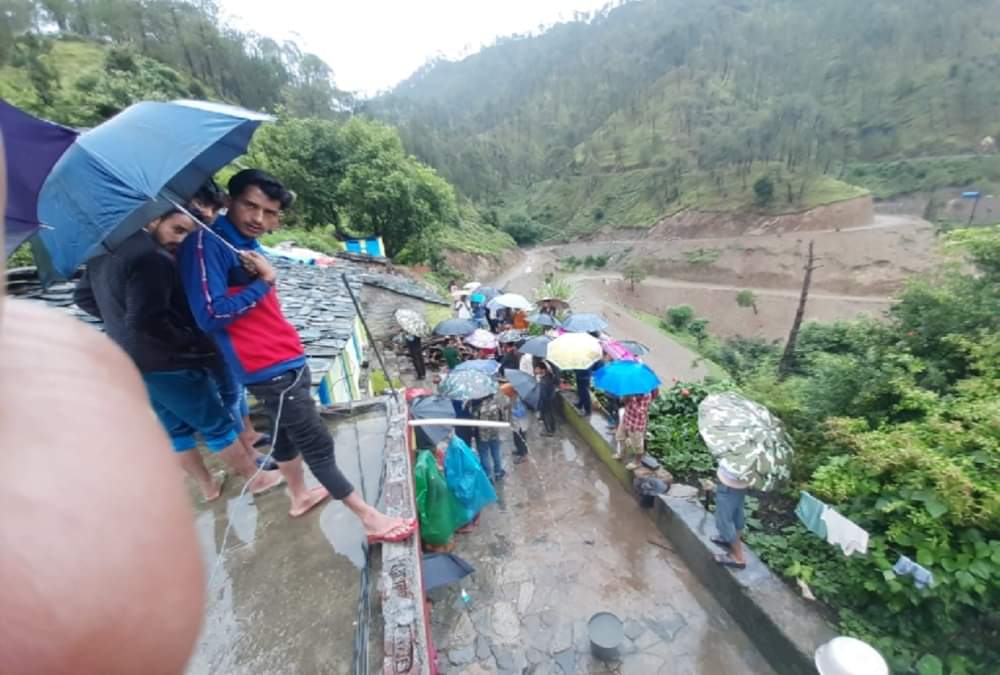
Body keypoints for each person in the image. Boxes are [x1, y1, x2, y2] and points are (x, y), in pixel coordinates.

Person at [178, 169, 415, 541]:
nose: (258, 218)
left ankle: (299, 494)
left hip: (285, 357)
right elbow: (210, 314)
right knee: (316, 441)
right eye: (250, 206)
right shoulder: (205, 247)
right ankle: (369, 519)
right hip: (265, 364)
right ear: (229, 201)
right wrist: (263, 282)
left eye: (269, 212)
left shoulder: (239, 244)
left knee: (285, 433)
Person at [73, 208, 284, 502]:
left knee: (175, 428)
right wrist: (187, 340)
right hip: (166, 362)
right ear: (153, 219)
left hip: (127, 358)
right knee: (216, 423)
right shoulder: (151, 259)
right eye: (178, 229)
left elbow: (82, 297)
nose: (181, 241)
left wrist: (117, 323)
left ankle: (208, 486)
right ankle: (257, 478)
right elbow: (147, 320)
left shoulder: (105, 251)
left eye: (188, 234)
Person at [713, 465, 749, 570]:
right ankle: (728, 540)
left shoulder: (738, 451)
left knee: (724, 519)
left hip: (729, 483)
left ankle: (738, 557)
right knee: (736, 513)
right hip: (740, 484)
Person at [614, 389, 657, 470]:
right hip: (626, 418)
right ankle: (621, 454)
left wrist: (632, 399)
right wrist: (625, 398)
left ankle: (637, 462)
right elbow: (622, 401)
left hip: (636, 424)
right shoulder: (629, 389)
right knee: (620, 437)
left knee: (637, 445)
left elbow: (640, 412)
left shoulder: (646, 395)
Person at [476, 390, 510, 481]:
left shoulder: (479, 406)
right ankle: (498, 471)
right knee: (496, 451)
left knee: (484, 454)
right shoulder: (496, 405)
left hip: (483, 434)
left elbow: (475, 420)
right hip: (494, 432)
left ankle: (488, 475)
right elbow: (502, 417)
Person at [536, 359, 559, 436]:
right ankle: (552, 429)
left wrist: (539, 406)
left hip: (546, 401)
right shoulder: (549, 376)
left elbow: (542, 395)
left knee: (547, 416)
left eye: (537, 368)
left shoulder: (544, 381)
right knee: (551, 414)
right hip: (551, 398)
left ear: (543, 370)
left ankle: (549, 431)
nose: (536, 369)